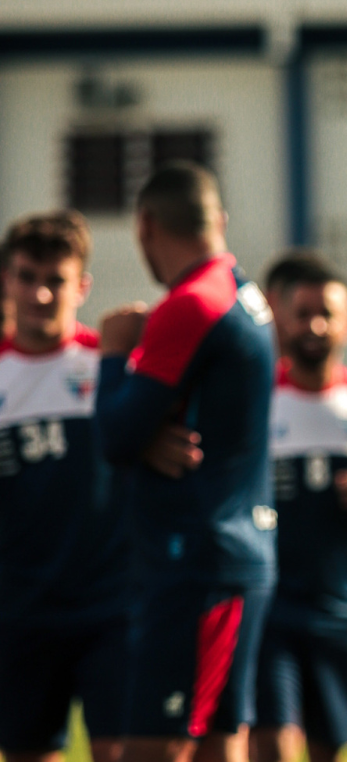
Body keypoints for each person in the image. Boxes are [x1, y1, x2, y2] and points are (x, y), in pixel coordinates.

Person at [94, 162, 277, 762]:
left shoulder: (190, 305)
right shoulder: (243, 294)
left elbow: (117, 436)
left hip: (194, 566)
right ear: (217, 221)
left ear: (145, 224)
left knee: (154, 747)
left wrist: (115, 353)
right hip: (232, 552)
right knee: (221, 740)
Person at [253, 252, 347, 762]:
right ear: (282, 321)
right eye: (303, 313)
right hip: (267, 605)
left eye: (327, 314)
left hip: (338, 606)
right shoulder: (256, 400)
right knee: (271, 744)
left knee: (327, 749)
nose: (315, 325)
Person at [0, 211, 130, 762]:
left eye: (55, 279)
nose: (40, 292)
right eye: (27, 276)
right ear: (6, 280)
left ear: (82, 286)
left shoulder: (114, 369)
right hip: (18, 611)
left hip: (113, 609)